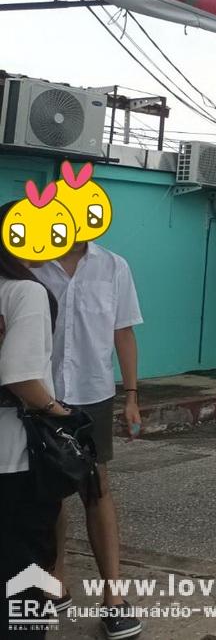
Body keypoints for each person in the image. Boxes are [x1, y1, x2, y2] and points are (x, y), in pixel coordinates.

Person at [34, 241, 143, 640]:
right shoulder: (32, 261)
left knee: (96, 488)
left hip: (93, 395)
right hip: (40, 395)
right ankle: (55, 581)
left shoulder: (114, 265)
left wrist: (132, 397)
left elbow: (124, 332)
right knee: (49, 491)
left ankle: (113, 597)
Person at [1, 200, 65, 640]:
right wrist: (62, 416)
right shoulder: (25, 291)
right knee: (24, 577)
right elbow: (22, 376)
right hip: (14, 457)